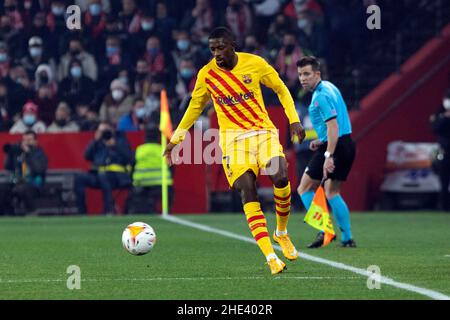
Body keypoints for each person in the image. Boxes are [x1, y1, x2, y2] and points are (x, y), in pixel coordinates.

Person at [164, 27, 306, 275]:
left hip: (263, 133)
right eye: (213, 49)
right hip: (233, 142)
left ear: (233, 44)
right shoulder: (206, 75)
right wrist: (176, 139)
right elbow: (194, 108)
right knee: (247, 188)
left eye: (221, 47)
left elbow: (281, 89)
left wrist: (293, 119)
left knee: (281, 176)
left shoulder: (255, 63)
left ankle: (281, 232)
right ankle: (270, 256)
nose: (217, 53)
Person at [296, 56, 356, 248]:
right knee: (332, 192)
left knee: (303, 188)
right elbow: (336, 126)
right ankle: (347, 238)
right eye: (300, 75)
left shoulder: (320, 96)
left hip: (335, 147)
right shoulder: (330, 87)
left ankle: (325, 230)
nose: (303, 79)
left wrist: (328, 155)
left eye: (307, 74)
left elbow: (333, 127)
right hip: (346, 144)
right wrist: (321, 141)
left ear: (317, 74)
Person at [74, 122, 133, 215]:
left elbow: (129, 157)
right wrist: (95, 140)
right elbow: (87, 156)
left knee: (103, 176)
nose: (104, 133)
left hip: (116, 177)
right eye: (101, 131)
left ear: (112, 129)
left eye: (105, 130)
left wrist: (115, 145)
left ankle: (108, 211)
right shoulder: (98, 142)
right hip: (97, 174)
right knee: (79, 178)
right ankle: (81, 212)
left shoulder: (120, 140)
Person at [126, 127, 173, 214]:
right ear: (158, 138)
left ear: (145, 138)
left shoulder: (139, 150)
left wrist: (132, 181)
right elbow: (171, 169)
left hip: (141, 185)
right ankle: (167, 212)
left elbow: (131, 167)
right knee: (169, 191)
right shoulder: (163, 150)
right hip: (161, 185)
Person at [0, 130, 48, 215]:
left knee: (22, 189)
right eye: (25, 140)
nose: (26, 143)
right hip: (17, 182)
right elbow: (8, 167)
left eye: (29, 140)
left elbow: (39, 169)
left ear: (35, 141)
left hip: (35, 184)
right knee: (2, 188)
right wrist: (10, 154)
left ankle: (31, 212)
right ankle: (7, 214)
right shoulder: (18, 154)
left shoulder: (39, 154)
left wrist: (29, 153)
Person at [430, 89, 450, 211]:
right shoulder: (439, 114)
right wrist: (445, 118)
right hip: (445, 151)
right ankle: (444, 207)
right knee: (444, 180)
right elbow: (435, 128)